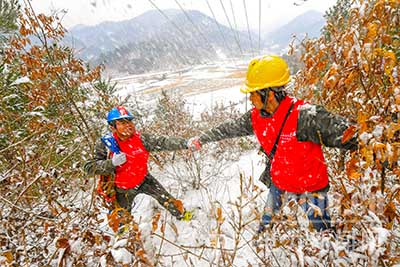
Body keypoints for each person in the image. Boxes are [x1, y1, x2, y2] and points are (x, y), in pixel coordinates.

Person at [188, 55, 357, 232]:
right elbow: (228, 128)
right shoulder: (255, 117)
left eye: (253, 93)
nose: (251, 98)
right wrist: (202, 139)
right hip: (279, 184)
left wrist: (381, 148)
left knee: (324, 233)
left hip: (310, 190)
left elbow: (350, 136)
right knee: (266, 226)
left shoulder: (305, 116)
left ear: (269, 94)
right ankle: (264, 244)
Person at [84, 106, 192, 224]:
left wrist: (186, 143)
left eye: (129, 121)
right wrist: (112, 163)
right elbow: (89, 168)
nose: (128, 125)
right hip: (122, 190)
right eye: (122, 122)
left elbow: (163, 142)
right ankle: (126, 238)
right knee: (122, 220)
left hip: (144, 180)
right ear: (112, 127)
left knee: (167, 199)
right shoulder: (106, 144)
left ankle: (184, 216)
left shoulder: (142, 139)